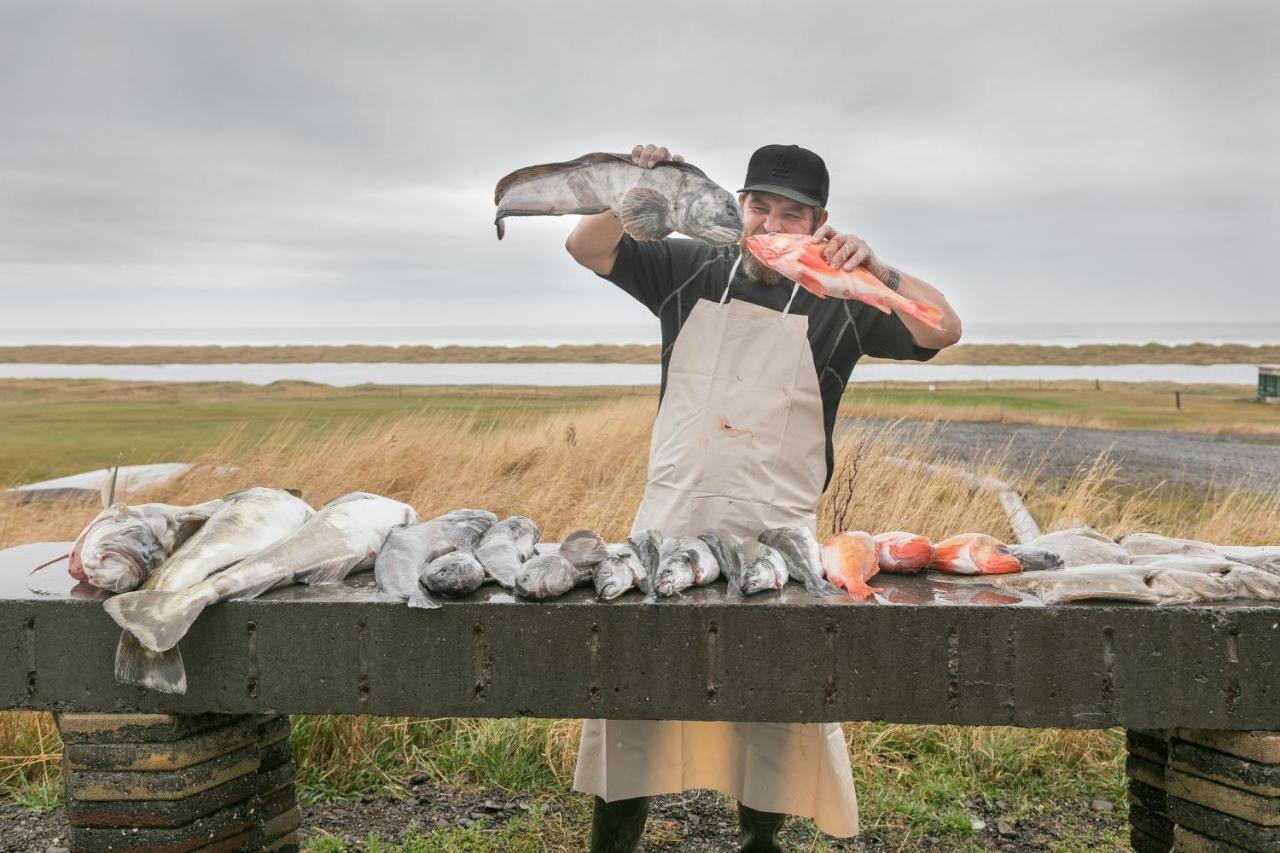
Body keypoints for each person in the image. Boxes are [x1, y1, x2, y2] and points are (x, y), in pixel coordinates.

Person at [564, 143, 962, 852]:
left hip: (774, 536)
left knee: (776, 700)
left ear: (820, 223)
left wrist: (876, 268)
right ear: (740, 208)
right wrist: (645, 186)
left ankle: (759, 841)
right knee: (635, 696)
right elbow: (585, 246)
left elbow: (943, 326)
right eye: (760, 207)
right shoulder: (687, 266)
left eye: (792, 213)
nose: (772, 223)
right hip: (670, 522)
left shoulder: (843, 300)